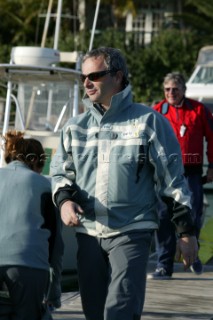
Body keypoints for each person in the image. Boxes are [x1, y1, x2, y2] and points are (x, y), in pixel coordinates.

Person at [50, 47, 198, 320]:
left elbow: (173, 182)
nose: (86, 82)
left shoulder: (149, 122)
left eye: (94, 75)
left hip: (132, 230)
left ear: (118, 77)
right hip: (88, 234)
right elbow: (61, 175)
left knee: (120, 310)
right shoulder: (73, 127)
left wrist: (186, 233)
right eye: (84, 76)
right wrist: (64, 201)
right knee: (94, 312)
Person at [148, 72, 213, 279]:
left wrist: (212, 165)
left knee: (192, 214)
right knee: (163, 217)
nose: (171, 93)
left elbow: (212, 139)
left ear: (184, 90)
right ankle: (163, 265)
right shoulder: (157, 111)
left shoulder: (199, 110)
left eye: (175, 89)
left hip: (190, 173)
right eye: (167, 89)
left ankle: (192, 256)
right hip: (163, 175)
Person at [0, 130, 63, 320]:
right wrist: (54, 292)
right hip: (29, 264)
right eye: (41, 165)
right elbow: (55, 245)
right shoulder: (44, 185)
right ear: (35, 161)